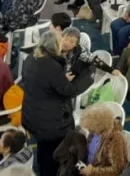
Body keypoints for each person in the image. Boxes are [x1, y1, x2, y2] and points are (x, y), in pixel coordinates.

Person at [21, 31, 93, 176]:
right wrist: (88, 78)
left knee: (43, 149)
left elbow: (43, 83)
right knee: (52, 154)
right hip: (51, 122)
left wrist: (59, 78)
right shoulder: (51, 66)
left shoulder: (31, 58)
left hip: (34, 114)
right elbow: (69, 90)